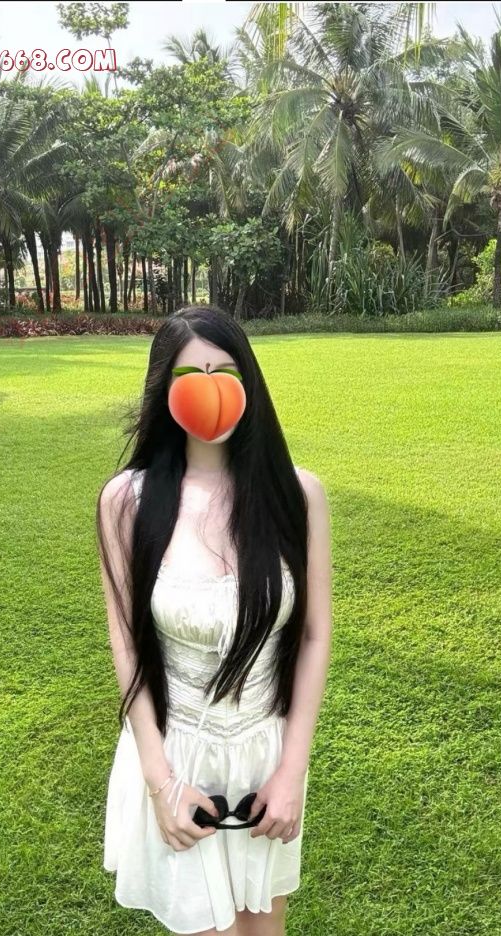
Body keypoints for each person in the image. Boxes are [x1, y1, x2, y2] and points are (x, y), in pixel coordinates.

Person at [97, 304, 333, 935]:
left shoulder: (296, 495)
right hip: (178, 758)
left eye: (224, 371)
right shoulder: (126, 501)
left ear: (248, 382)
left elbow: (314, 634)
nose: (210, 389)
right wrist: (161, 784)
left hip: (266, 756)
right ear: (163, 390)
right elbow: (127, 646)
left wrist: (292, 771)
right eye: (190, 375)